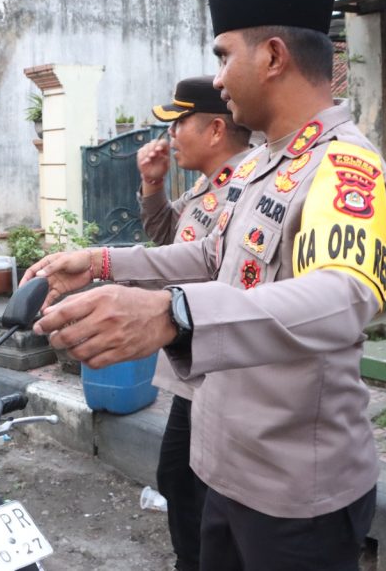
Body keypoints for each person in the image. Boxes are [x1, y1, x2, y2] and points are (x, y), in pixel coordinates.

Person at [25, 0, 386, 570]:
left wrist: (176, 313)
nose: (218, 78)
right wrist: (99, 261)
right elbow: (208, 255)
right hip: (223, 462)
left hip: (292, 492)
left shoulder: (343, 166)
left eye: (224, 56)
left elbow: (344, 295)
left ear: (272, 57)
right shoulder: (260, 165)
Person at [138, 75, 252, 571]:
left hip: (219, 365)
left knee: (200, 487)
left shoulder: (248, 186)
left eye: (179, 123)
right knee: (179, 478)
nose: (171, 135)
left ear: (215, 129)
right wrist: (153, 185)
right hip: (193, 365)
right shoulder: (209, 184)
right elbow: (169, 239)